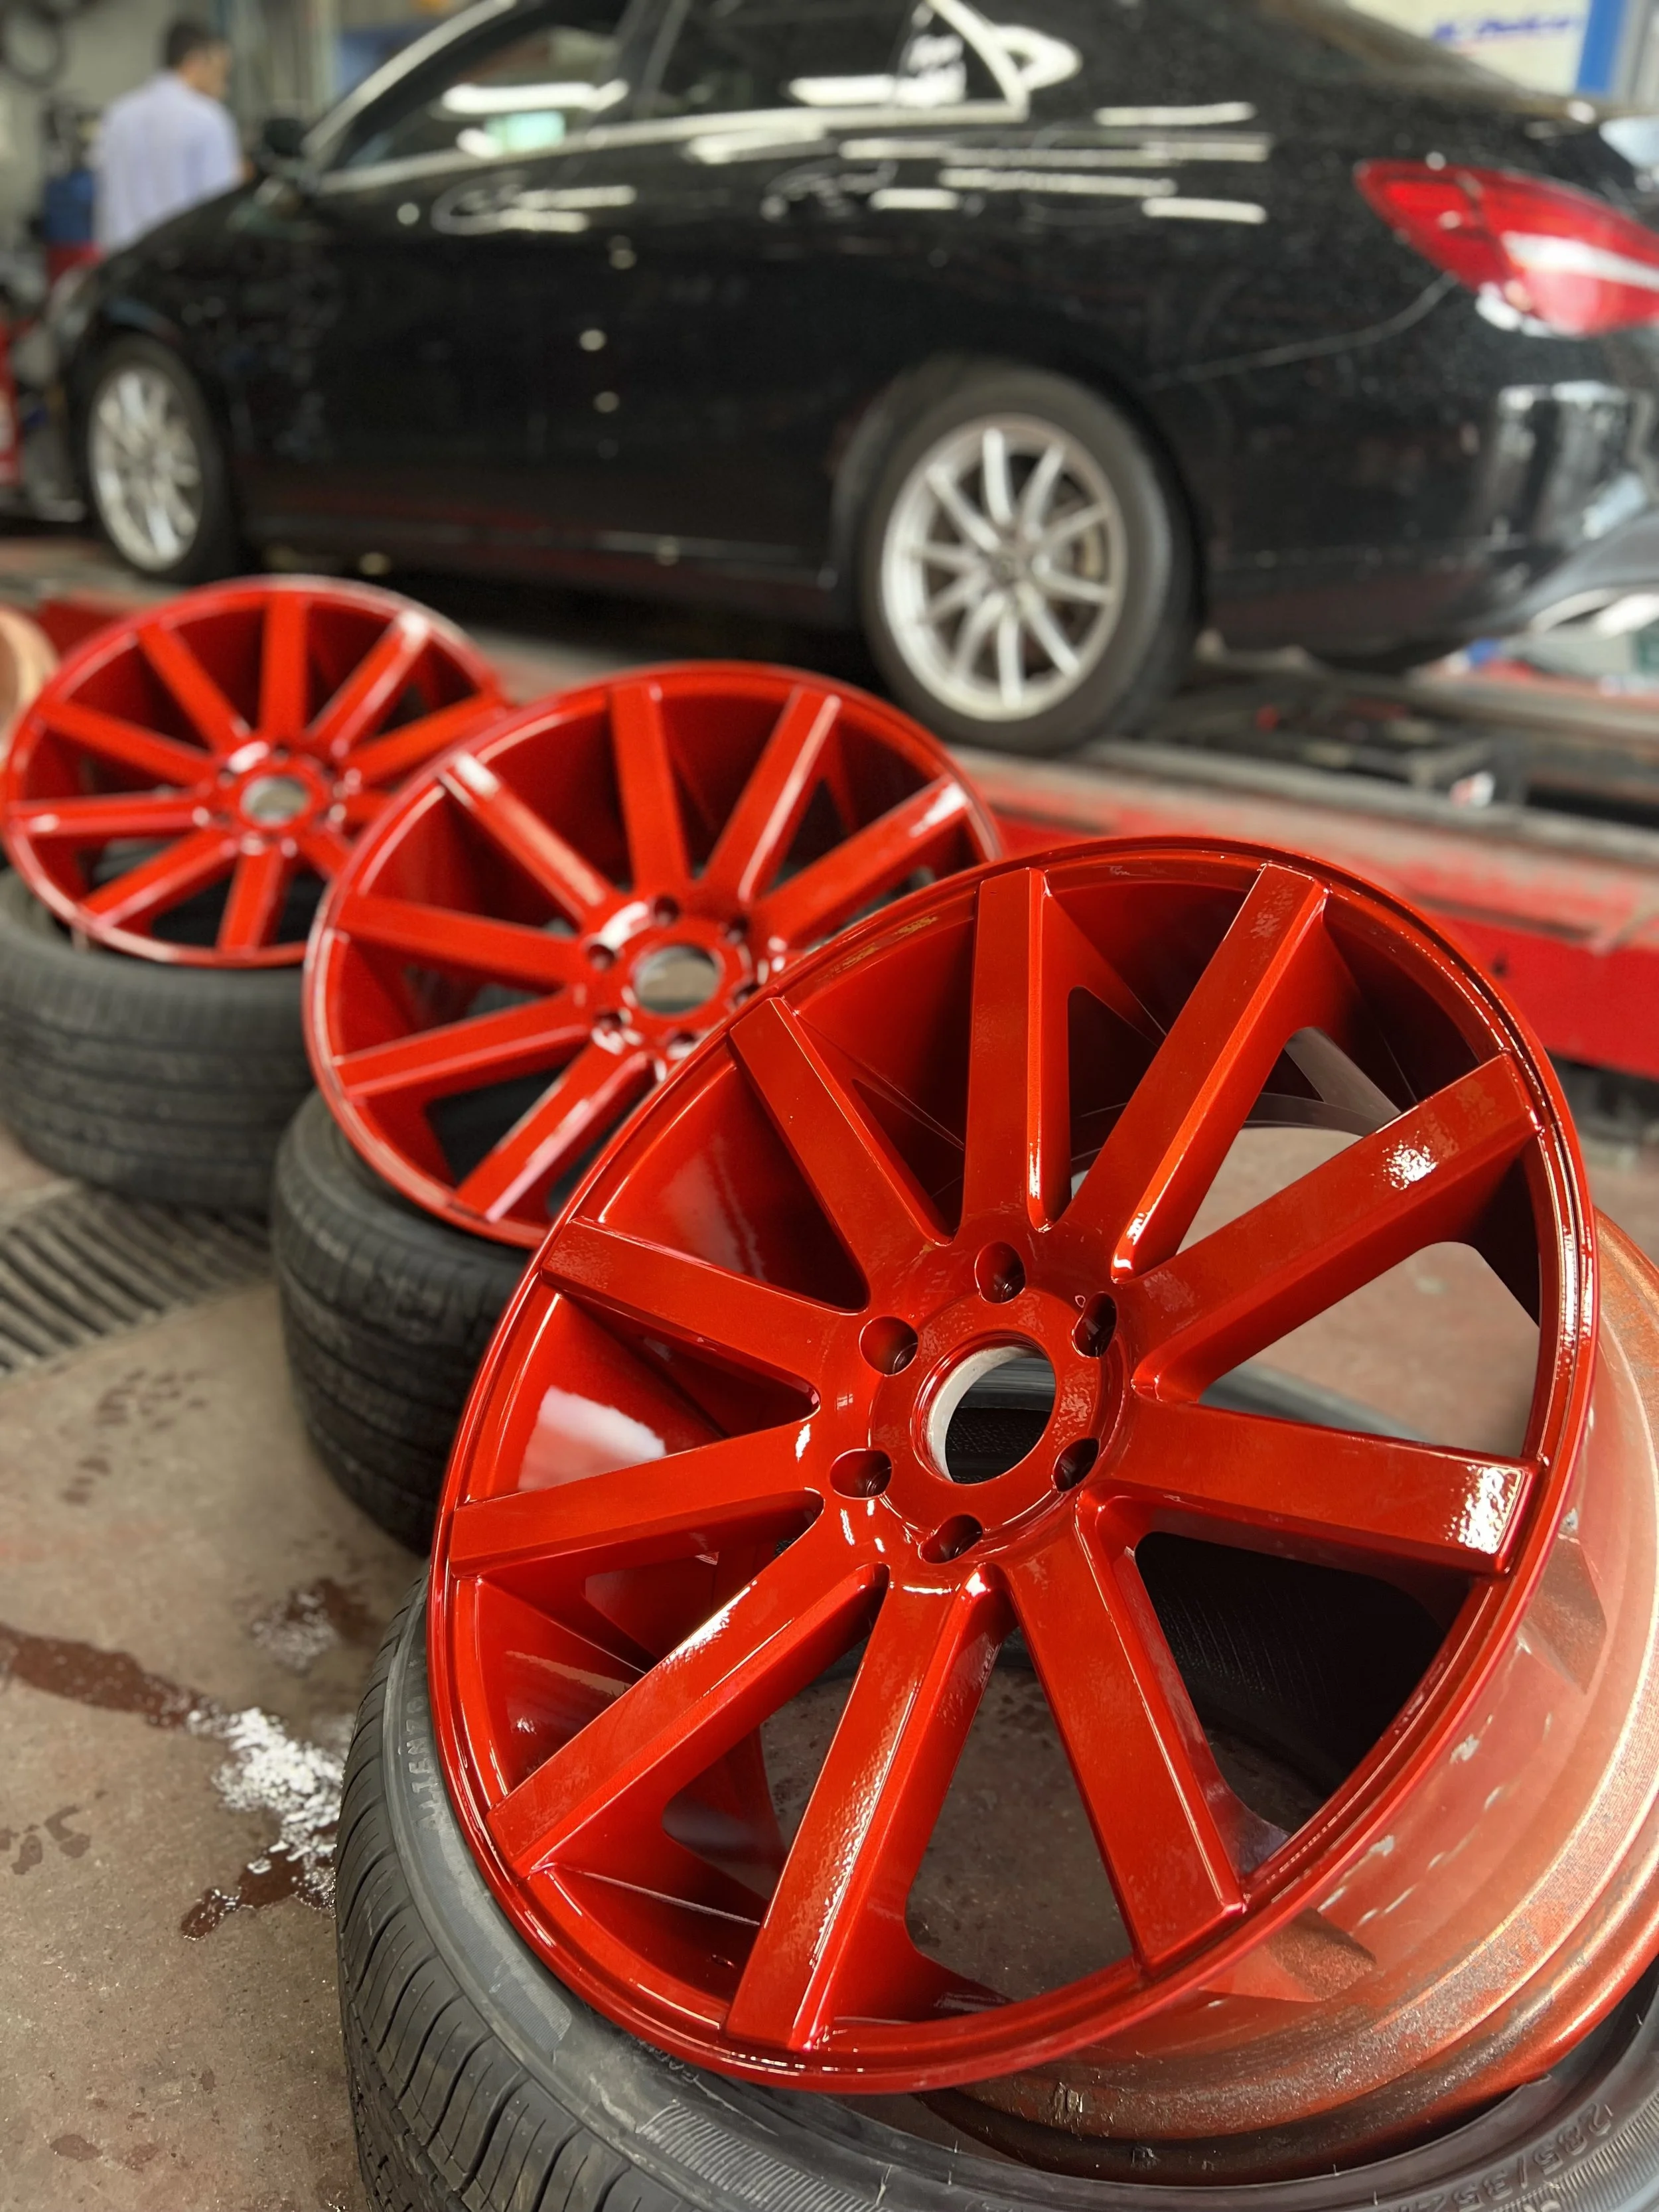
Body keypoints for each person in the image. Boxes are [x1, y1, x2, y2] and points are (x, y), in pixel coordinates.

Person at [96, 20, 241, 254]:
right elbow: (220, 211)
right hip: (183, 273)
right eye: (221, 71)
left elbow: (106, 205)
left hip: (122, 269)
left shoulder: (118, 115)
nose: (225, 86)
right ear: (196, 62)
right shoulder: (208, 119)